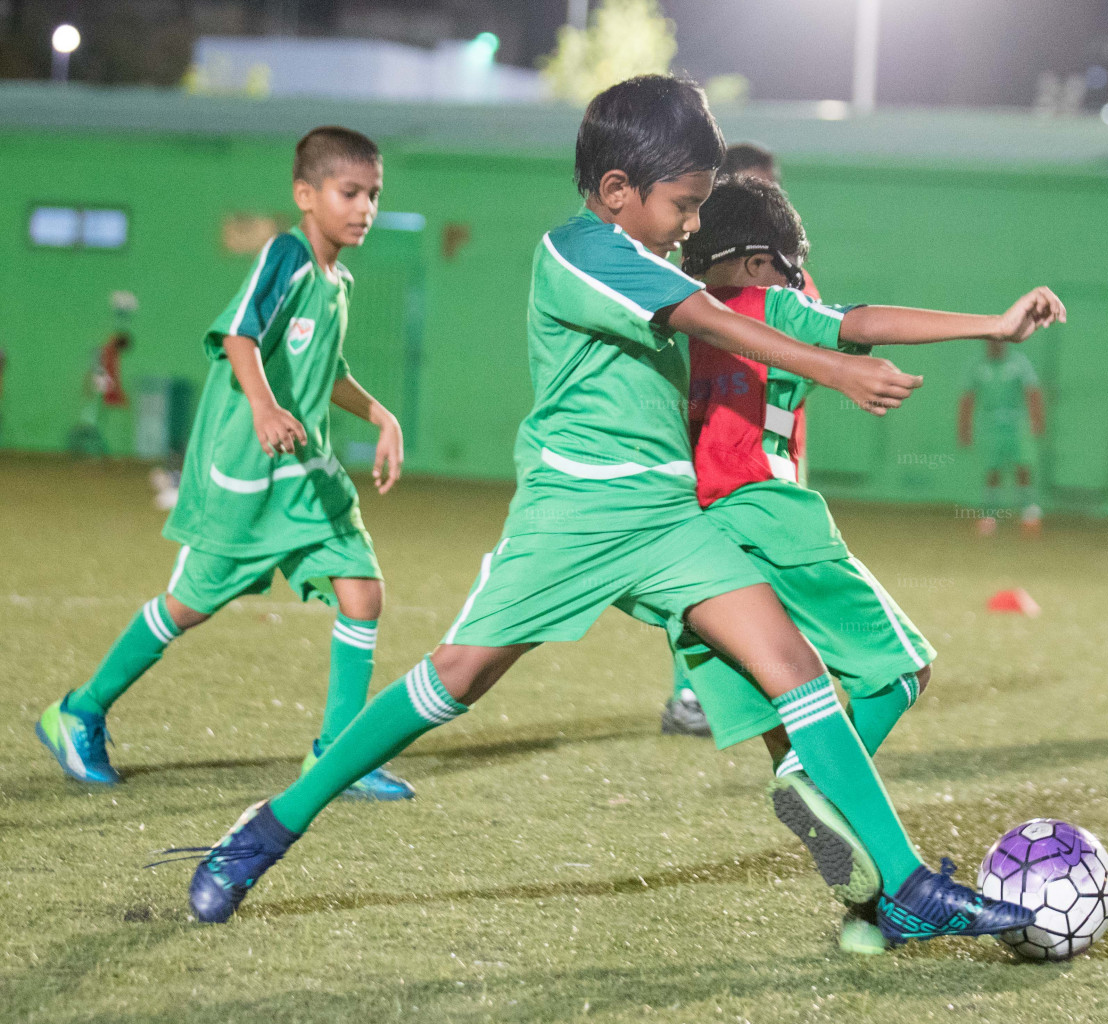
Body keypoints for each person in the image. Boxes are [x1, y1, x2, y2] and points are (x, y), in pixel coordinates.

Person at [180, 76, 1032, 950]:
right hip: (573, 514)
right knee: (453, 680)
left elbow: (780, 312)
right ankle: (268, 830)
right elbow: (705, 313)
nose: (694, 226)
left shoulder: (651, 253)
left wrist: (913, 334)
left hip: (668, 519)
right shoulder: (576, 251)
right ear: (618, 191)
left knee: (798, 671)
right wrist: (836, 369)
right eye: (684, 205)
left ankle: (904, 888)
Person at [668, 175, 1064, 952]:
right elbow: (861, 318)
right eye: (793, 270)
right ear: (758, 264)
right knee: (901, 672)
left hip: (693, 545)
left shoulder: (676, 318)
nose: (801, 286)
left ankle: (868, 914)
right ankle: (813, 791)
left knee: (797, 724)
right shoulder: (764, 306)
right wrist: (994, 322)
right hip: (771, 515)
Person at [36, 127, 412, 803]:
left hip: (305, 474)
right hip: (247, 475)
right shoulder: (287, 255)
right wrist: (265, 408)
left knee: (363, 591)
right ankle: (79, 712)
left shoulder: (339, 280)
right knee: (187, 605)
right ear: (306, 194)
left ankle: (336, 753)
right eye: (349, 192)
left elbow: (326, 370)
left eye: (374, 195)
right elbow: (240, 335)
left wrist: (382, 415)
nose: (364, 208)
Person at [659, 141, 814, 738]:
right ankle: (693, 696)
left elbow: (817, 342)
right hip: (708, 466)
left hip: (769, 453)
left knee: (753, 588)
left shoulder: (786, 279)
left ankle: (766, 696)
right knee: (706, 586)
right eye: (750, 185)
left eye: (770, 186)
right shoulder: (684, 283)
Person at [958, 340, 1047, 535]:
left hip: (1017, 425)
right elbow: (968, 398)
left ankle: (1029, 514)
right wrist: (964, 428)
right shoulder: (979, 366)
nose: (995, 345)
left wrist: (1037, 420)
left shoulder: (1019, 363)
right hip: (990, 427)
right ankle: (989, 516)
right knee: (992, 470)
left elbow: (1032, 391)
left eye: (999, 341)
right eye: (991, 341)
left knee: (1022, 468)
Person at [69, 331, 132, 457]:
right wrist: (114, 392)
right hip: (99, 389)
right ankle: (87, 446)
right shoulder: (106, 353)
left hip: (100, 389)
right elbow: (103, 374)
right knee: (92, 420)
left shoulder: (109, 353)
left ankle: (92, 447)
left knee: (94, 419)